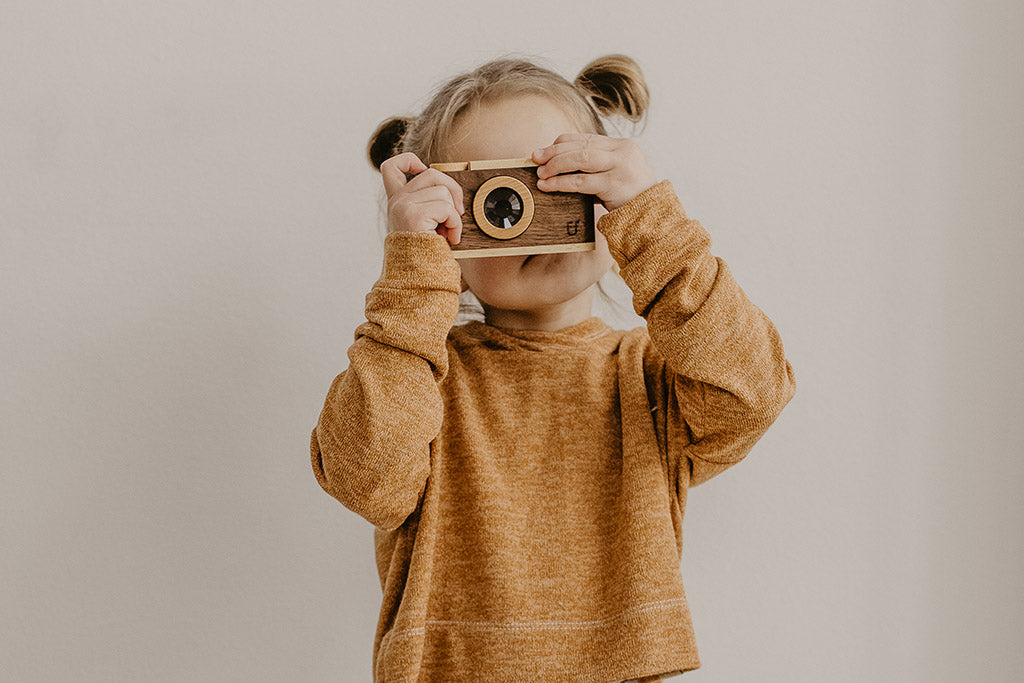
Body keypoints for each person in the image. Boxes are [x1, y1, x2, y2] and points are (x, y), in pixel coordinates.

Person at [310, 53, 796, 683]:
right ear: (441, 231)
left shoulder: (650, 376)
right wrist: (411, 282)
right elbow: (365, 477)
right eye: (499, 200)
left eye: (561, 180)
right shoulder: (415, 376)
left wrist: (653, 223)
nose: (531, 219)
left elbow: (754, 393)